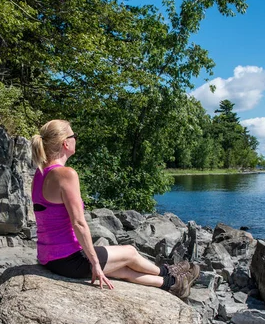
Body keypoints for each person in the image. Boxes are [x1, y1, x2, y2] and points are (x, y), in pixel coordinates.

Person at [31, 119, 199, 298]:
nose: (76, 140)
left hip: (49, 258)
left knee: (124, 269)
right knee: (130, 252)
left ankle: (173, 284)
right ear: (66, 143)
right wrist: (94, 263)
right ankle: (168, 272)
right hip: (70, 260)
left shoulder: (40, 174)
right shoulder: (66, 174)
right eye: (75, 136)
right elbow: (79, 223)